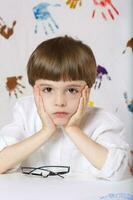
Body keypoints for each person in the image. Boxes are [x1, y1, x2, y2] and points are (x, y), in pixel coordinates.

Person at [0, 36, 130, 180]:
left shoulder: (103, 122)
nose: (60, 102)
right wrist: (46, 131)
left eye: (72, 90)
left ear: (88, 91)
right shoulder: (25, 113)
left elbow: (118, 171)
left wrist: (73, 129)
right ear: (34, 90)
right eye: (48, 89)